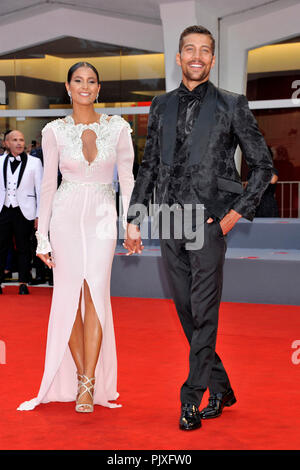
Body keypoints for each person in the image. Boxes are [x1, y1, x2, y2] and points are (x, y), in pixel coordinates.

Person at [125, 25, 273, 431]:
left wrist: (232, 215)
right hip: (169, 219)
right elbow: (149, 166)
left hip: (208, 222)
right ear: (178, 57)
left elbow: (264, 167)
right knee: (188, 312)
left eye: (204, 50)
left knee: (205, 312)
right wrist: (135, 219)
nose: (196, 56)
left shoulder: (233, 104)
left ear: (212, 58)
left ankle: (191, 397)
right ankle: (221, 386)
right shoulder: (159, 105)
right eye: (189, 49)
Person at [17, 62, 134, 413]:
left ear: (99, 88)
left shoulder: (118, 128)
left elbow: (128, 180)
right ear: (68, 86)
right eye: (78, 81)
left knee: (95, 291)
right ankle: (84, 378)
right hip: (65, 218)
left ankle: (89, 383)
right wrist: (42, 236)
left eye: (92, 81)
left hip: (102, 216)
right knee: (69, 295)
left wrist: (131, 222)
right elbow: (48, 185)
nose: (85, 86)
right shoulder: (54, 130)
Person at [0, 130, 43, 295]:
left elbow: (40, 190)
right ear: (6, 143)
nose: (19, 143)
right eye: (15, 140)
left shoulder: (35, 162)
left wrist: (39, 215)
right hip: (3, 209)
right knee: (1, 246)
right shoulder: (0, 161)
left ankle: (23, 282)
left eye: (21, 140)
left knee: (23, 248)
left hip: (25, 210)